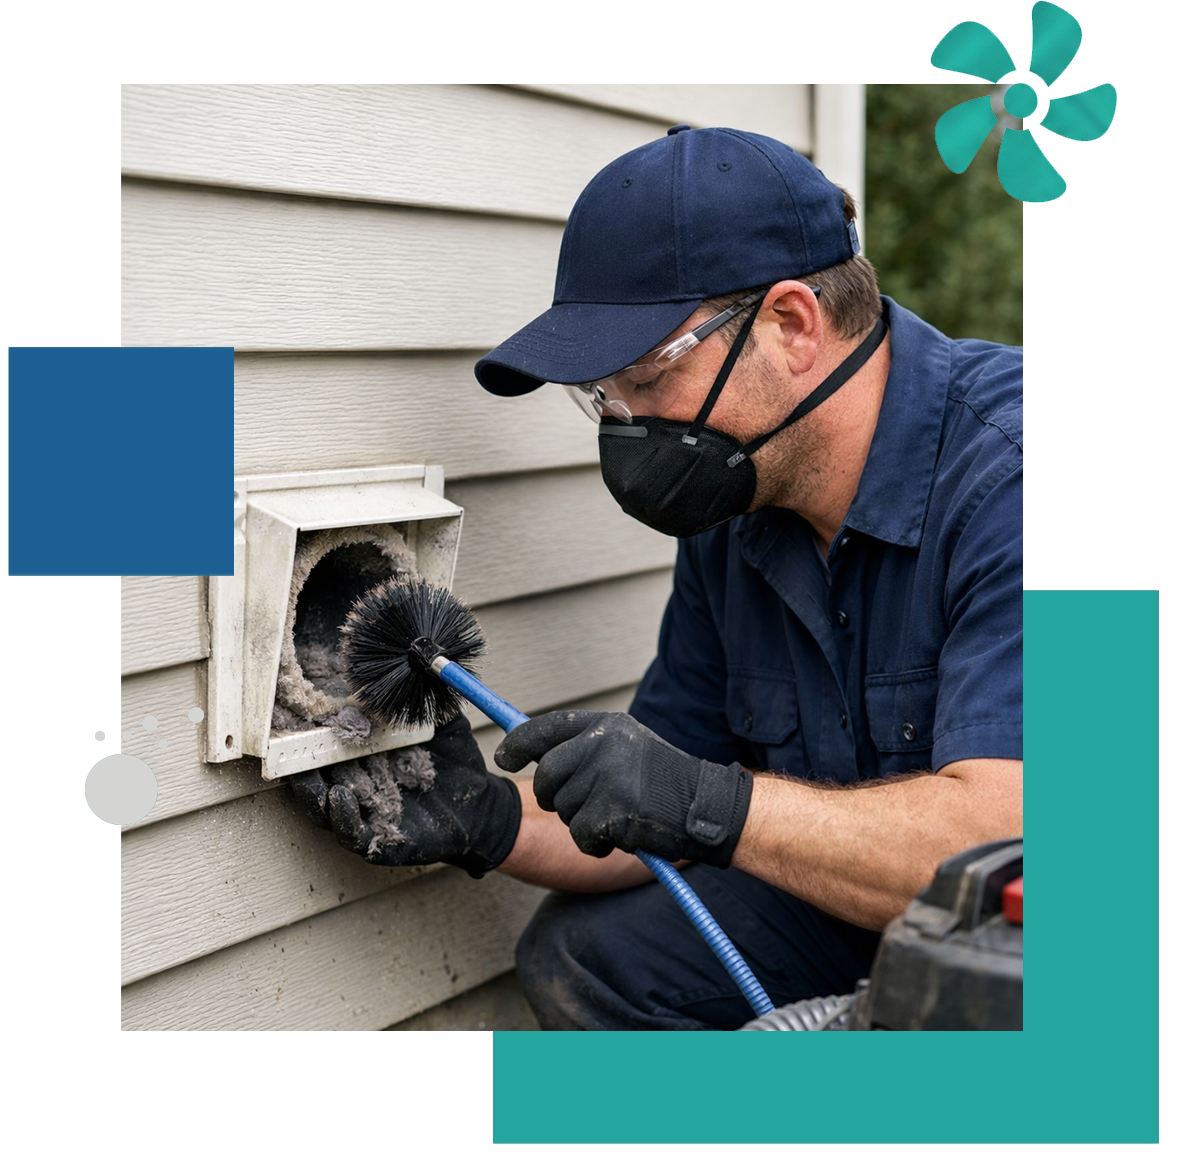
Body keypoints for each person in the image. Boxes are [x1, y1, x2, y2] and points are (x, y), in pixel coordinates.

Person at [293, 125, 1023, 1030]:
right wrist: (487, 820)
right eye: (604, 394)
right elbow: (661, 805)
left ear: (792, 324)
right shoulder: (743, 496)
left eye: (645, 375)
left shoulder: (1006, 479)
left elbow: (1013, 856)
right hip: (862, 911)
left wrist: (712, 801)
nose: (625, 422)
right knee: (596, 961)